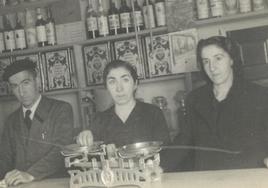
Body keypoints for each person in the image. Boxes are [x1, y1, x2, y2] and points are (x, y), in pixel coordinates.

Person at [173, 36, 268, 171]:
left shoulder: (259, 95)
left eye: (218, 58)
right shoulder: (195, 98)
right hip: (207, 178)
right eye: (206, 61)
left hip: (246, 177)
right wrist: (159, 166)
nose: (212, 67)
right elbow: (184, 141)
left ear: (231, 59)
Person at [0, 59, 74, 186]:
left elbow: (62, 150)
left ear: (37, 81)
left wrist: (30, 174)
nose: (21, 91)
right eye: (15, 86)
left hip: (54, 183)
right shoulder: (11, 121)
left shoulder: (61, 109)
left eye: (25, 83)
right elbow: (4, 160)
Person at [76, 59, 170, 148]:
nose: (119, 88)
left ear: (135, 84)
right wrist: (83, 138)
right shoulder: (99, 120)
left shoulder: (153, 113)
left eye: (125, 80)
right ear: (107, 87)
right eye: (112, 82)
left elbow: (165, 152)